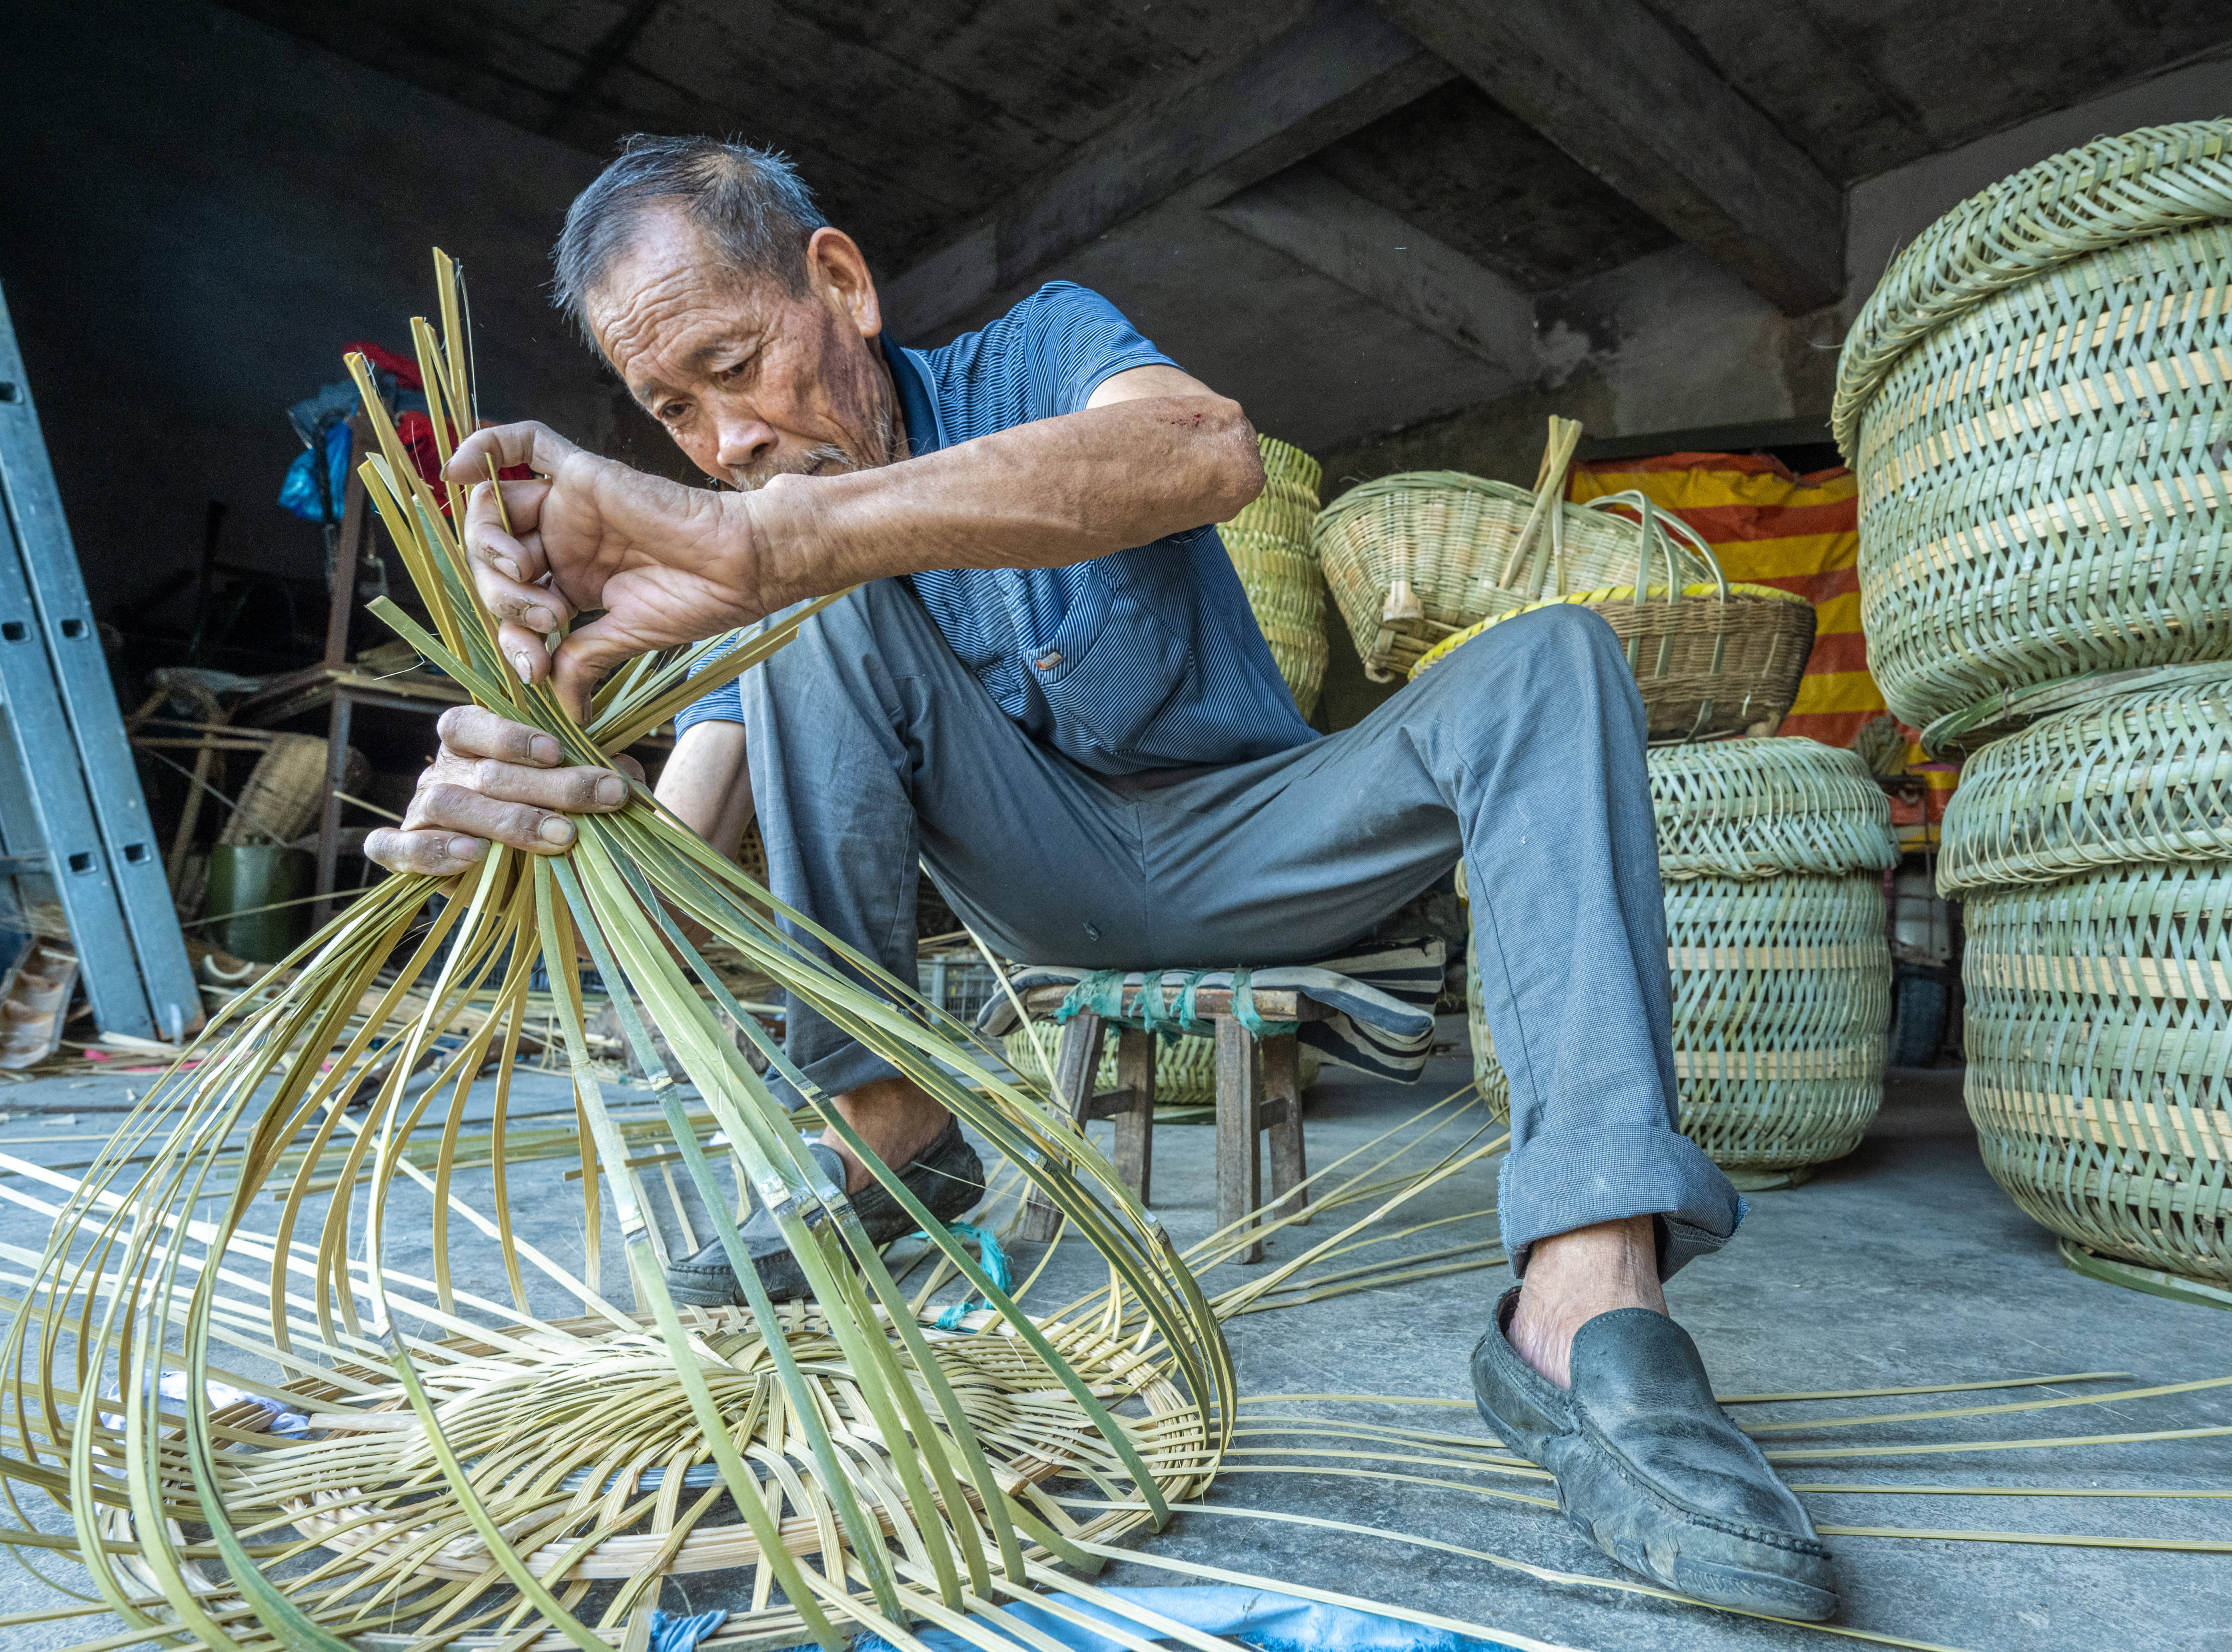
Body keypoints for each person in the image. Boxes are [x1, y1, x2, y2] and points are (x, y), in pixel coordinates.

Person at [366, 136, 1837, 1621]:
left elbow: (1203, 453)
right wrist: (550, 804)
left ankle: (1587, 1302)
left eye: (735, 364)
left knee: (1552, 663)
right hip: (1044, 874)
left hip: (1268, 835)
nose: (725, 442)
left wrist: (778, 538)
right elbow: (685, 838)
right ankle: (890, 1138)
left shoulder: (1039, 349)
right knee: (809, 613)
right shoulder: (757, 576)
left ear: (840, 284)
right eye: (672, 412)